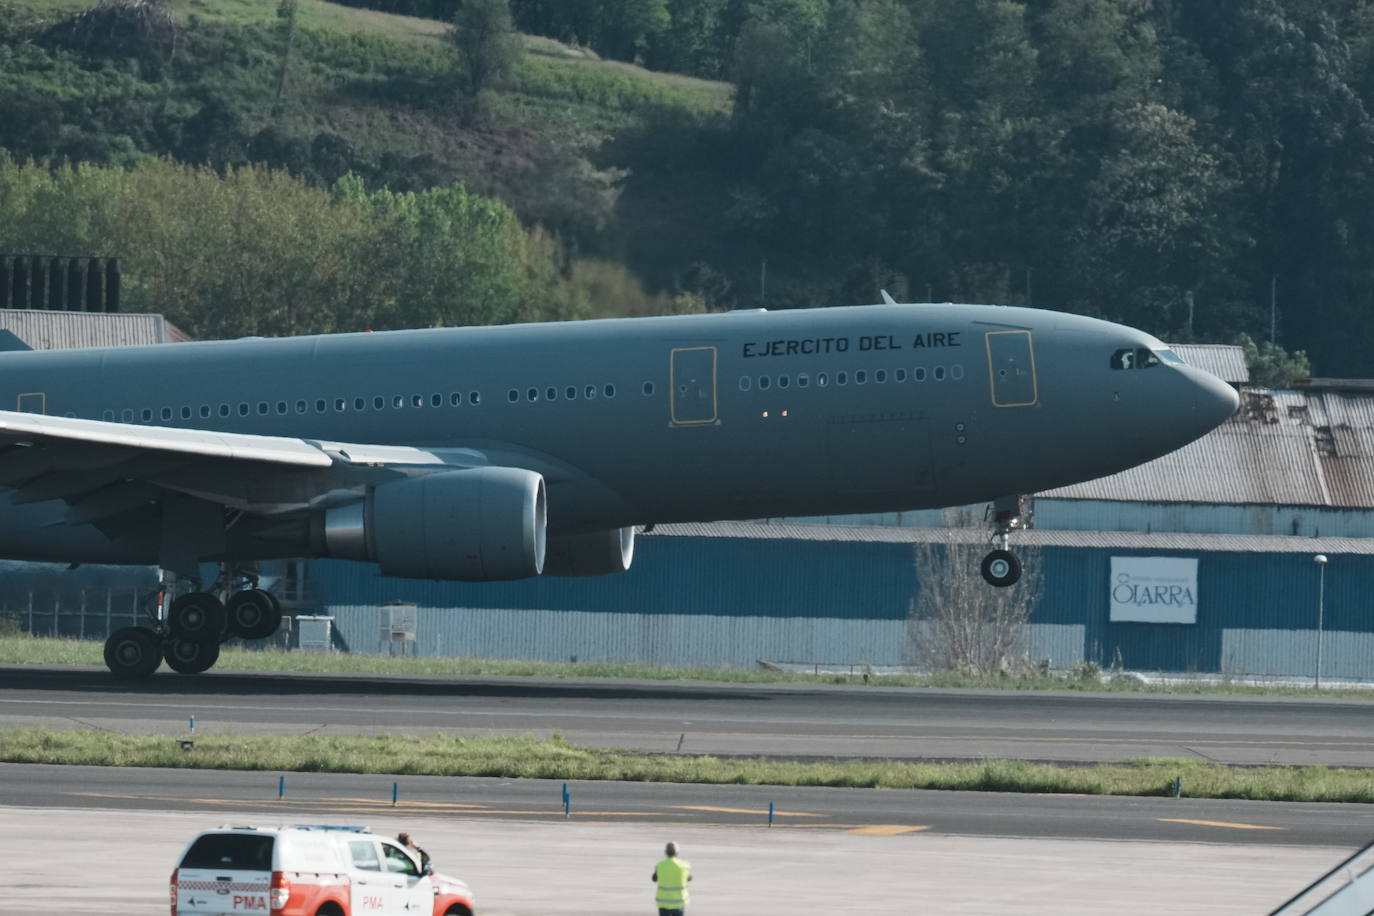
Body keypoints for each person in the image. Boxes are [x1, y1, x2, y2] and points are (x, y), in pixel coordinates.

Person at [651, 841, 692, 916]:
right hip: (679, 903)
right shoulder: (684, 865)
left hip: (663, 903)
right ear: (677, 852)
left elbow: (654, 879)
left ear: (665, 852)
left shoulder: (660, 865)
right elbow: (689, 878)